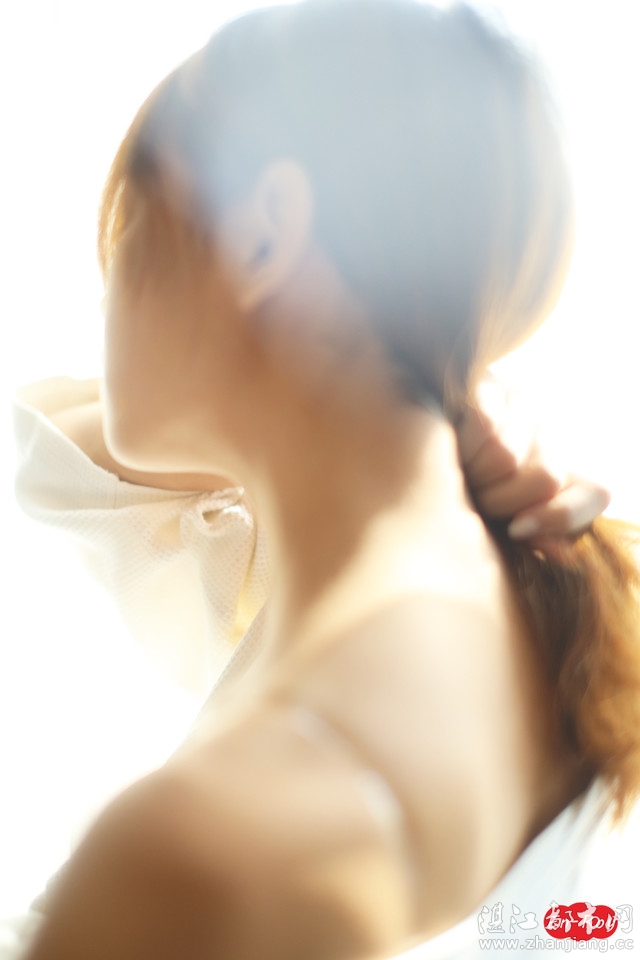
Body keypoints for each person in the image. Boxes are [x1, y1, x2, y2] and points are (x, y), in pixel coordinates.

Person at [13, 1, 640, 957]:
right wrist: (439, 383)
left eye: (127, 225)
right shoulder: (529, 622)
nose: (106, 301)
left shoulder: (195, 856)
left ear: (266, 234)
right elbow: (66, 461)